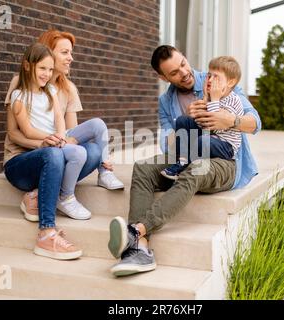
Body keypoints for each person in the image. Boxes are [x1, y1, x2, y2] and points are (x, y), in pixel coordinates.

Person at [107, 45, 261, 276]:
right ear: (162, 77)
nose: (184, 72)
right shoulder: (165, 101)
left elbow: (255, 123)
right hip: (186, 154)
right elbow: (167, 143)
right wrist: (188, 118)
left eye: (183, 64)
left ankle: (138, 230)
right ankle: (140, 250)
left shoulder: (217, 79)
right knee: (143, 167)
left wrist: (228, 120)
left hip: (223, 160)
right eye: (174, 72)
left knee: (197, 167)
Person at [4, 30, 124, 223]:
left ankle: (104, 171)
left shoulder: (66, 89)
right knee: (63, 153)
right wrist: (48, 142)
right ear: (48, 53)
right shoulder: (21, 86)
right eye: (65, 52)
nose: (71, 58)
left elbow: (71, 132)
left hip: (57, 145)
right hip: (27, 157)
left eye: (71, 52)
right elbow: (15, 132)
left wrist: (64, 139)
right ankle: (57, 197)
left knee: (93, 149)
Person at [3, 43, 82, 260]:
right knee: (54, 154)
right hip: (19, 165)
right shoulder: (19, 95)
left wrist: (61, 138)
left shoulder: (51, 92)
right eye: (42, 69)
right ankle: (46, 232)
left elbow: (59, 117)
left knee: (80, 154)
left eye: (50, 69)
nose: (47, 74)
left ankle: (38, 194)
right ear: (28, 67)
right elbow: (25, 130)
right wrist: (49, 141)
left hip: (49, 149)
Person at [161, 55, 244, 180]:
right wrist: (205, 98)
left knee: (202, 141)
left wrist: (214, 99)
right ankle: (181, 160)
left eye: (216, 77)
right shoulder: (210, 96)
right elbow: (202, 124)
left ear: (230, 82)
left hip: (225, 146)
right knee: (183, 120)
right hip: (209, 136)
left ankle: (187, 164)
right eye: (209, 75)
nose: (210, 80)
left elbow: (214, 126)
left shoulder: (233, 100)